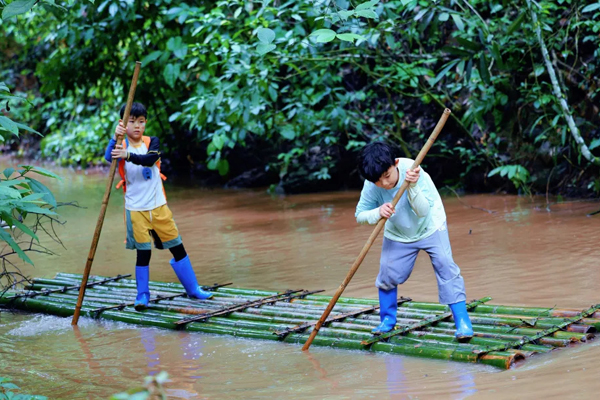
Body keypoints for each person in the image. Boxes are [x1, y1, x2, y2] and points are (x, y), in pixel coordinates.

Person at [355, 141, 473, 340]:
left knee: (446, 267)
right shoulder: (371, 184)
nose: (384, 184)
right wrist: (377, 212)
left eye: (387, 176)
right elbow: (360, 215)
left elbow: (422, 211)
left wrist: (413, 186)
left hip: (430, 225)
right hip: (398, 232)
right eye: (378, 181)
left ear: (396, 163)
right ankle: (387, 321)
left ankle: (462, 322)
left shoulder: (413, 171)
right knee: (386, 274)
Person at [104, 102, 212, 310]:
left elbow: (150, 160)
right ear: (123, 124)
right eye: (132, 122)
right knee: (143, 253)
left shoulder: (151, 141)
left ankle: (193, 289)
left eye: (141, 122)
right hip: (136, 208)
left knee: (177, 246)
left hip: (158, 205)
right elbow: (109, 157)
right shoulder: (120, 144)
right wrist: (115, 137)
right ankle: (142, 295)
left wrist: (128, 156)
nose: (137, 126)